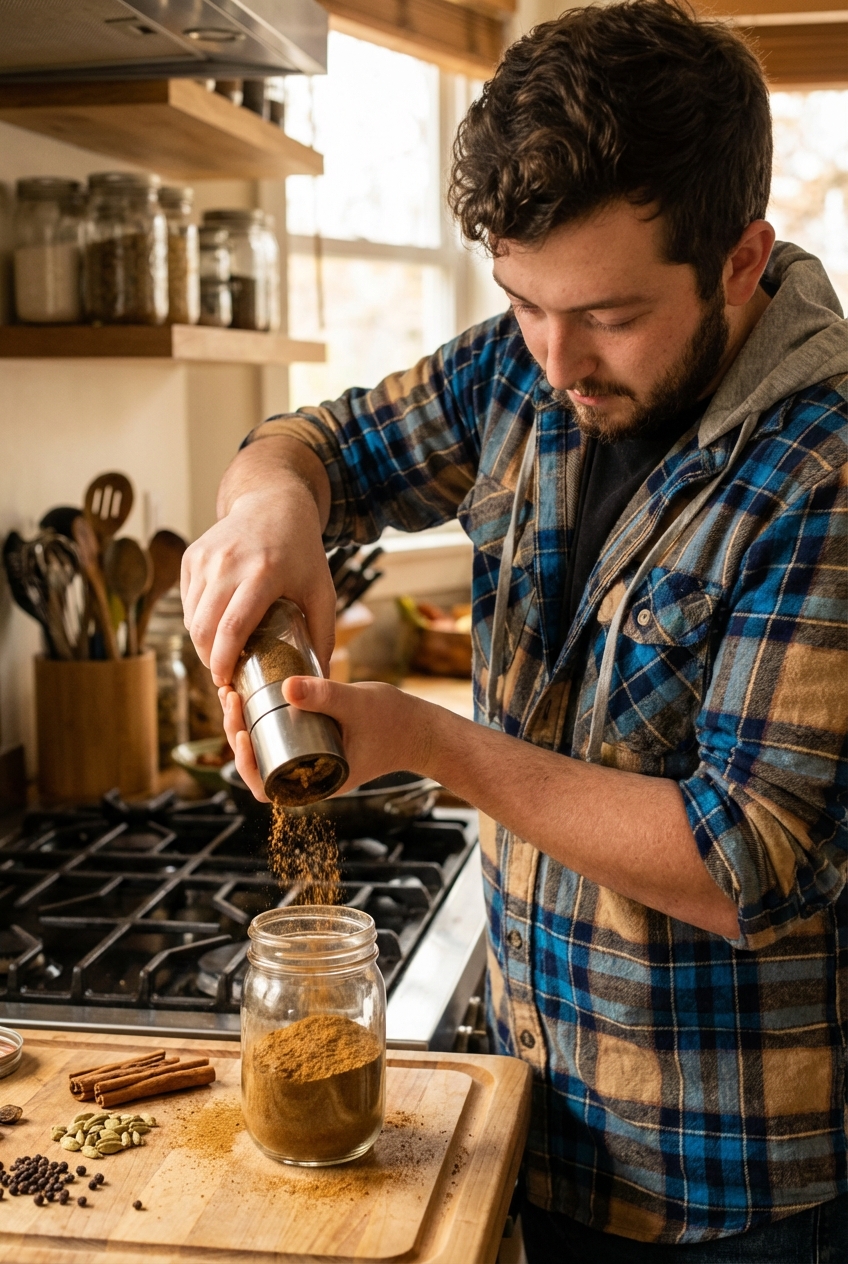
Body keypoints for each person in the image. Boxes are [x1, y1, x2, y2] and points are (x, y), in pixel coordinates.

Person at [181, 2, 847, 1257]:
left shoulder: (822, 471)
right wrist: (270, 506)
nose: (555, 358)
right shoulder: (519, 368)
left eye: (606, 313)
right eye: (522, 302)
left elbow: (745, 865)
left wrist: (426, 740)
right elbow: (315, 442)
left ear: (741, 259)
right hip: (541, 1119)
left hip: (732, 1189)